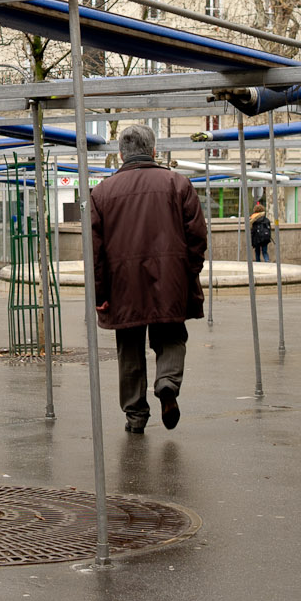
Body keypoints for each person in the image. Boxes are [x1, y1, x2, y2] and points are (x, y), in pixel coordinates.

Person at [90, 124, 208, 434]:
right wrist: (188, 273)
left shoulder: (101, 192)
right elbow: (197, 236)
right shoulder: (178, 184)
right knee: (171, 336)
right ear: (154, 151)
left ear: (120, 154)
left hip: (122, 286)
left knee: (129, 348)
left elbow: (94, 250)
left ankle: (135, 416)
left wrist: (100, 292)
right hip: (170, 281)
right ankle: (167, 382)